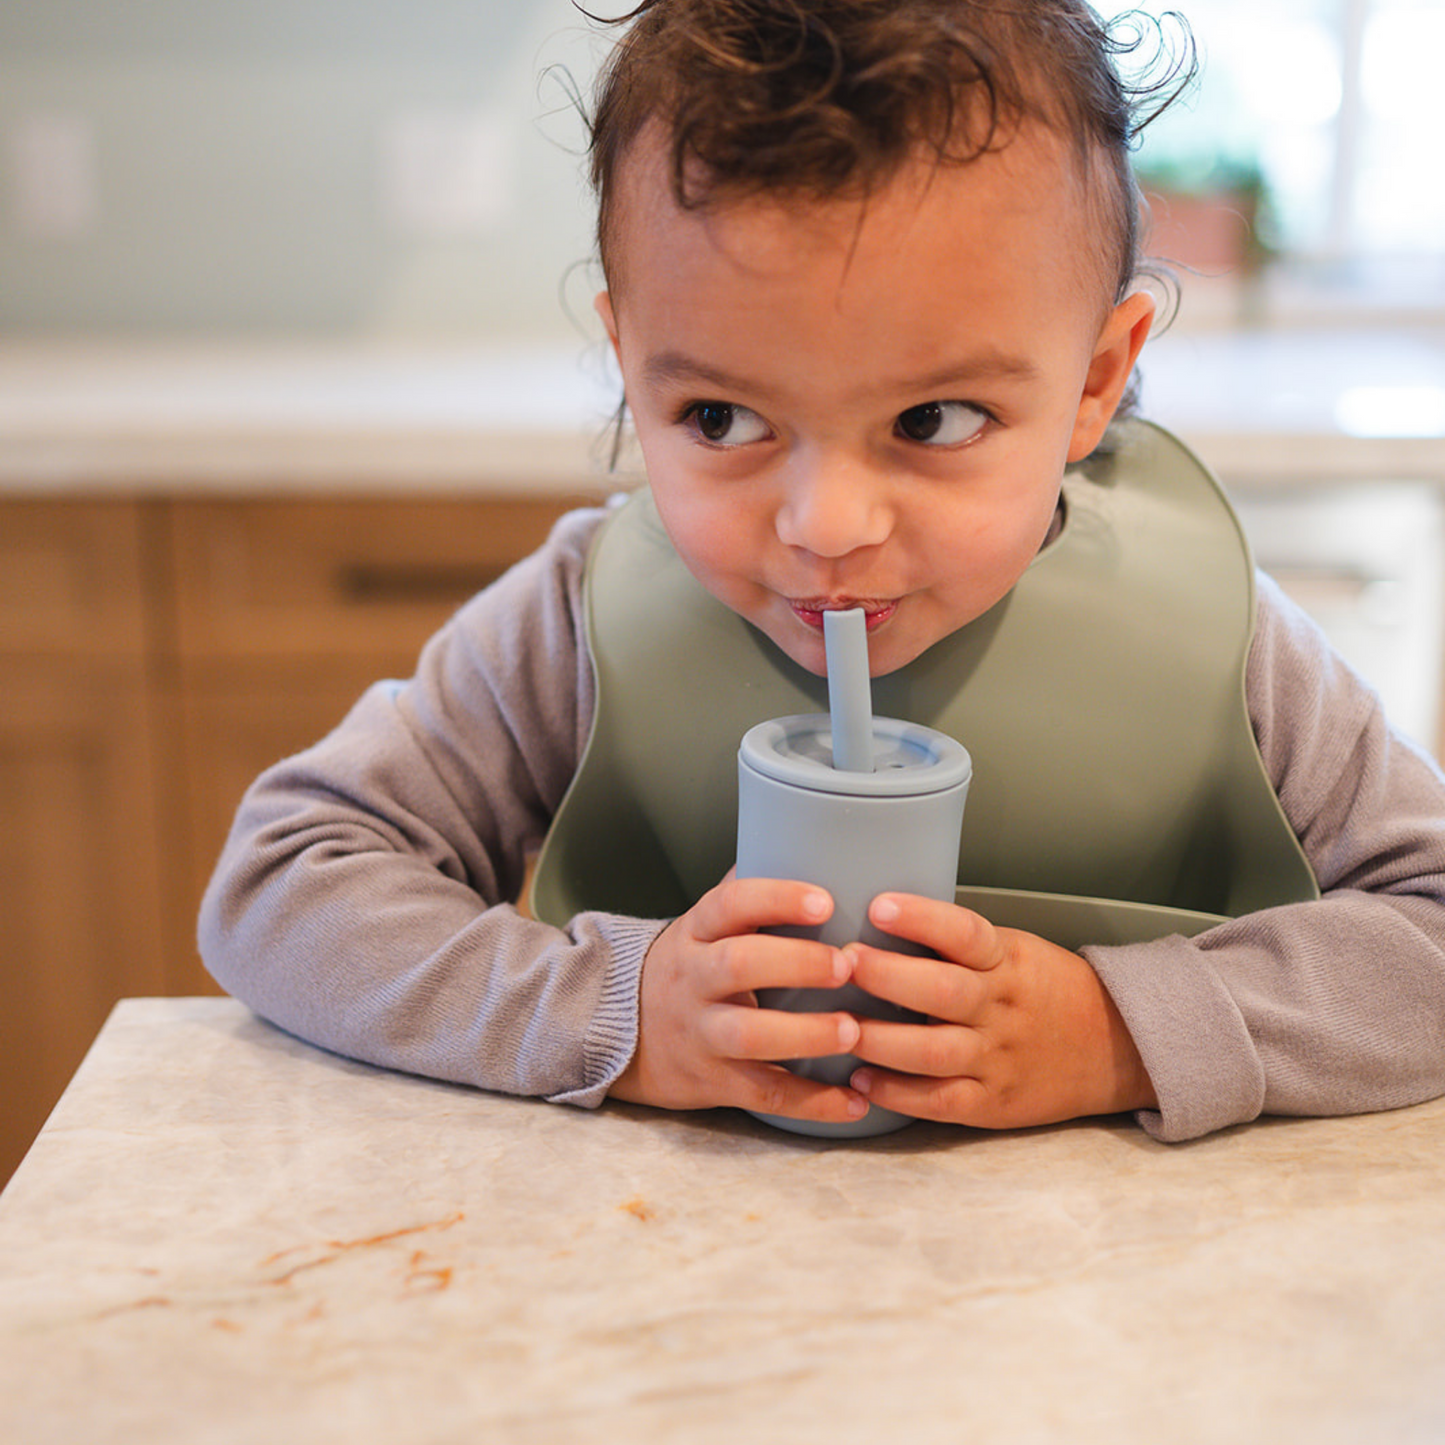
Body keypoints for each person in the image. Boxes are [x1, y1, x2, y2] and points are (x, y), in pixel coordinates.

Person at [199, 0, 1445, 1143]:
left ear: (1093, 382)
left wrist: (1121, 1031)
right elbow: (283, 882)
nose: (825, 524)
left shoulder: (1214, 637)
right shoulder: (578, 624)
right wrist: (615, 1012)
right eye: (722, 420)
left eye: (933, 419)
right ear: (628, 361)